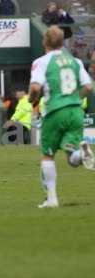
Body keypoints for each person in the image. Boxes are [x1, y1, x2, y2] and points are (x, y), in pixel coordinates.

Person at [29, 26, 94, 208]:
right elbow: (88, 87)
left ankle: (52, 199)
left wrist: (31, 99)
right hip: (76, 112)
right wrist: (75, 99)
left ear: (45, 42)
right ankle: (80, 153)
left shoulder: (41, 62)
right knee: (72, 158)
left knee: (47, 155)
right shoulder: (75, 61)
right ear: (63, 42)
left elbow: (35, 88)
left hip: (55, 111)